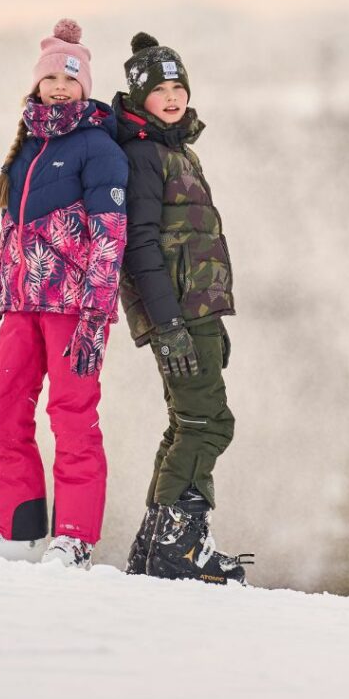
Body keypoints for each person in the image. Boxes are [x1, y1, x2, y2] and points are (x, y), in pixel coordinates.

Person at [0, 19, 128, 568]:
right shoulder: (27, 147)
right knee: (3, 414)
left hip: (73, 310)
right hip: (21, 308)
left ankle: (73, 537)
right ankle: (20, 532)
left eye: (71, 79)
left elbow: (110, 235)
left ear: (86, 88)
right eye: (51, 77)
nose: (60, 87)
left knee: (72, 416)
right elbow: (9, 238)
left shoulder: (98, 148)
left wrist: (95, 315)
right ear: (37, 84)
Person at [112, 33, 252, 584]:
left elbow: (193, 243)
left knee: (186, 422)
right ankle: (180, 545)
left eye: (179, 87)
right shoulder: (145, 155)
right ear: (139, 96)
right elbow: (140, 244)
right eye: (159, 89)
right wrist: (168, 324)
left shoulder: (177, 150)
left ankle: (155, 546)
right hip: (176, 315)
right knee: (208, 423)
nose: (172, 97)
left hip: (195, 313)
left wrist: (210, 319)